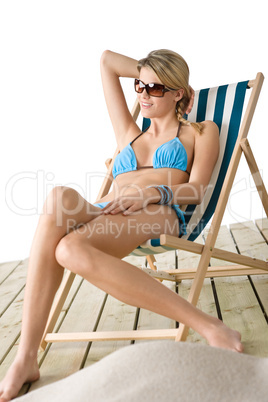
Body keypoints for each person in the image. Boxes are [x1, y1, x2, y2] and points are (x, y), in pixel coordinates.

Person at [0, 49, 243, 401]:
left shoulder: (200, 131)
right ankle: (26, 356)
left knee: (69, 248)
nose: (144, 95)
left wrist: (150, 195)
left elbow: (196, 190)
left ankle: (209, 325)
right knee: (56, 199)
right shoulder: (128, 131)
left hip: (159, 213)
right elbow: (106, 62)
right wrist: (153, 73)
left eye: (156, 89)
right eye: (140, 86)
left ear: (178, 93)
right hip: (107, 210)